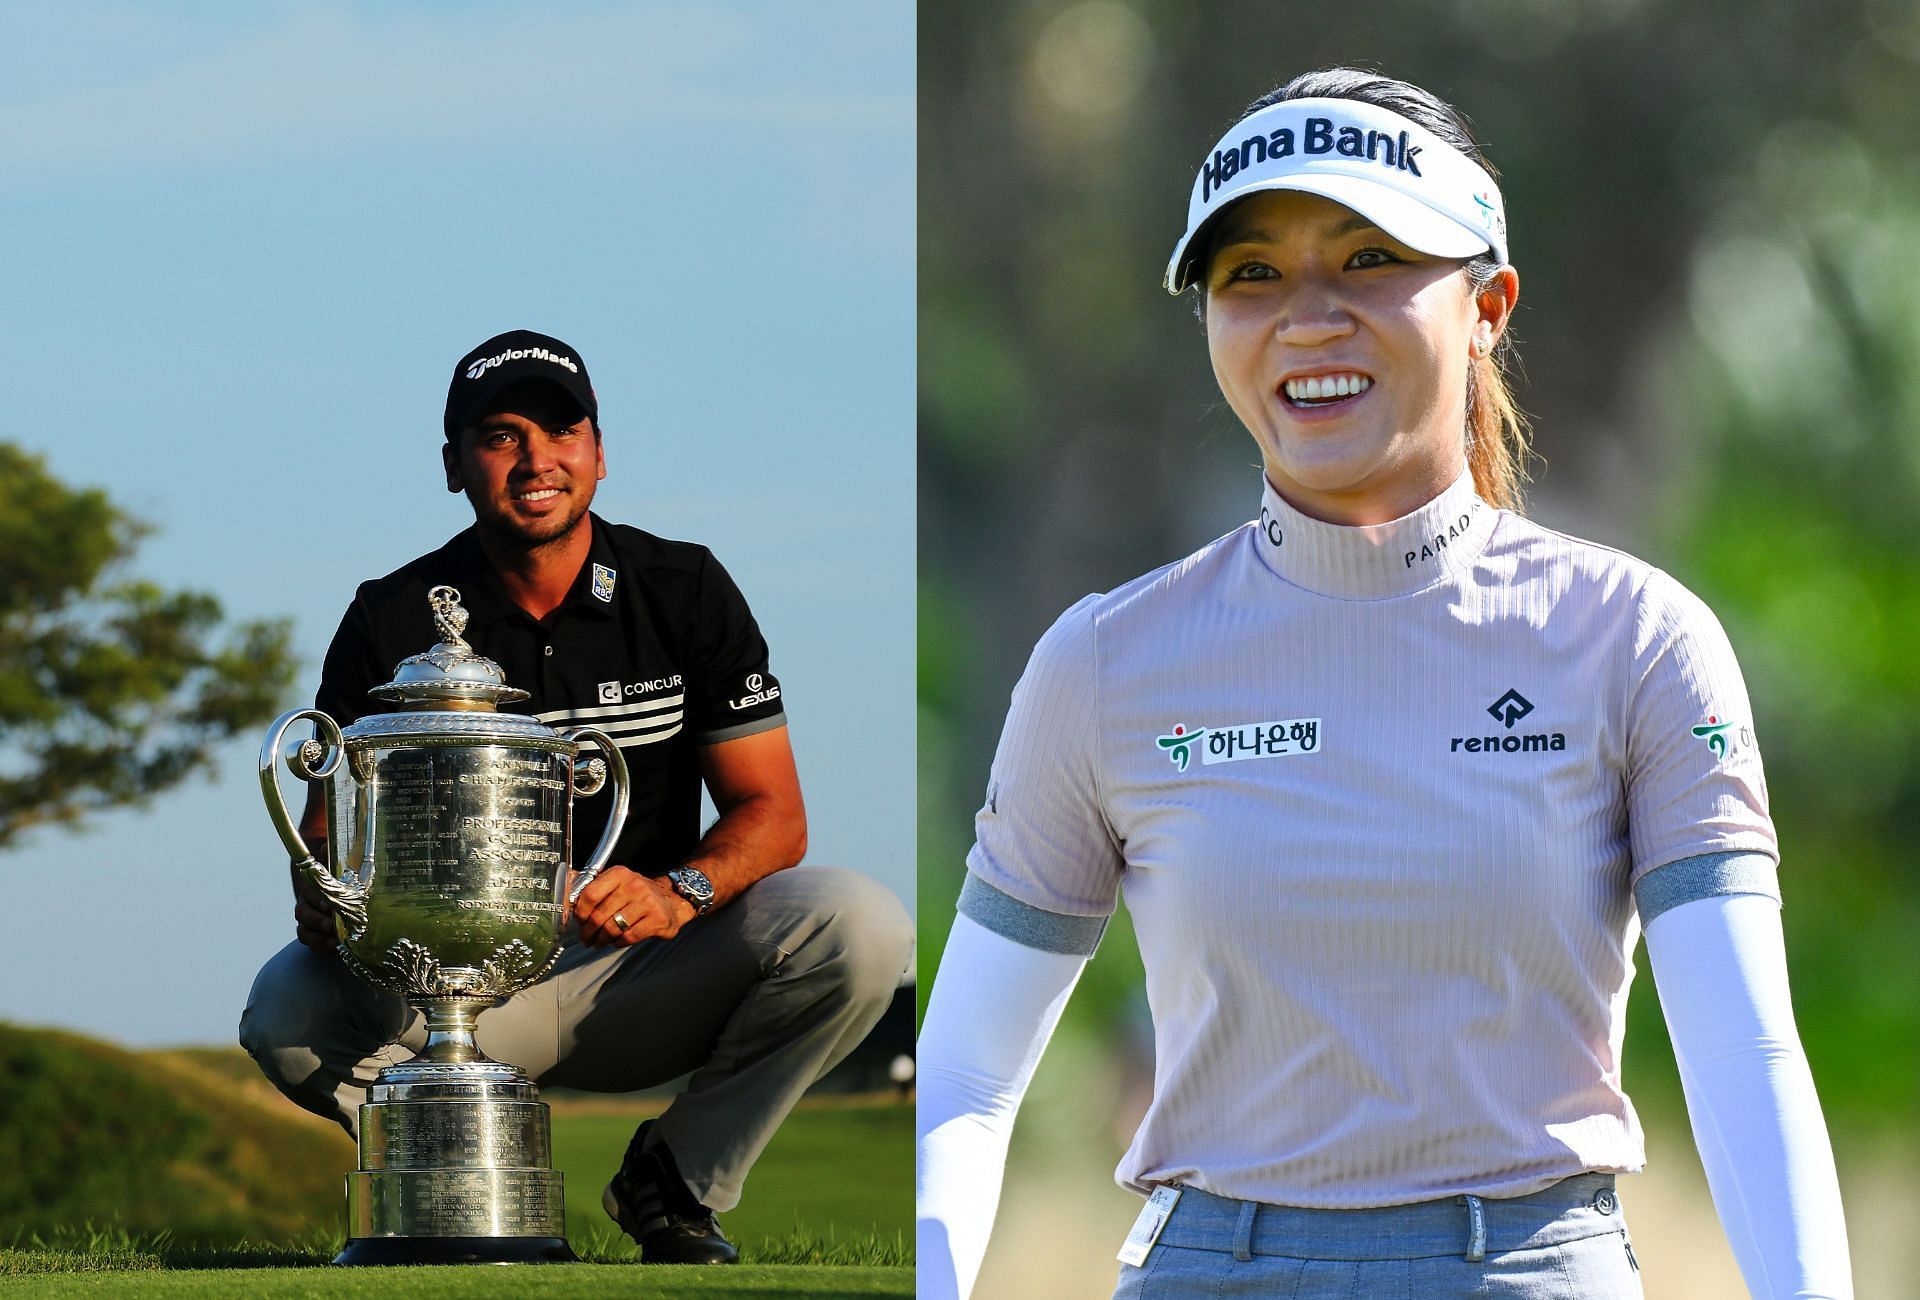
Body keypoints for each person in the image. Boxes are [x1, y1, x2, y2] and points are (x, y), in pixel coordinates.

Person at [916, 70, 1854, 1299]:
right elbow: (970, 1078)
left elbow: (1742, 1050)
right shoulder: (1104, 661)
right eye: (1251, 273)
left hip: (1529, 1268)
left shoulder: (1636, 638)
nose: (1307, 317)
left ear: (1488, 305)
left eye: (1369, 259)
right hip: (1210, 1270)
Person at [241, 328, 913, 1264]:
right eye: (501, 436)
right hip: (451, 994)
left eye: (561, 431)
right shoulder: (390, 616)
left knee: (859, 924)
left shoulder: (684, 589)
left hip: (638, 973)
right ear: (454, 465)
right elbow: (329, 841)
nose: (536, 461)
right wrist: (324, 894)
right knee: (285, 1008)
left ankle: (675, 1181)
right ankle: (471, 1183)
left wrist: (676, 891)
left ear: (599, 452)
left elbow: (775, 816)